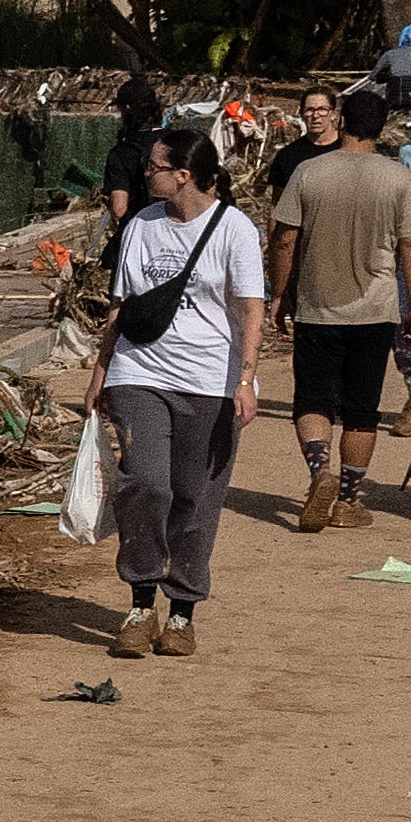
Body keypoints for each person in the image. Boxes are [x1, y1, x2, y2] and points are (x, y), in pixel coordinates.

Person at [85, 130, 268, 656]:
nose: (146, 175)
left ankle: (182, 610)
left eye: (154, 168)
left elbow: (251, 307)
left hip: (210, 381)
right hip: (140, 371)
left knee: (195, 496)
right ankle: (141, 601)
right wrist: (100, 371)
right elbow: (121, 304)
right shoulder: (140, 226)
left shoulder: (234, 229)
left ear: (183, 175)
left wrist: (246, 379)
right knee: (145, 483)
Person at [272, 81, 411, 536]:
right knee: (362, 409)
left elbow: (284, 237)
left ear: (339, 119)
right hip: (375, 310)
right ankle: (349, 500)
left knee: (312, 400)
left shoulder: (309, 172)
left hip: (318, 307)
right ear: (381, 128)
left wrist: (278, 293)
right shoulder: (397, 177)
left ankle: (320, 473)